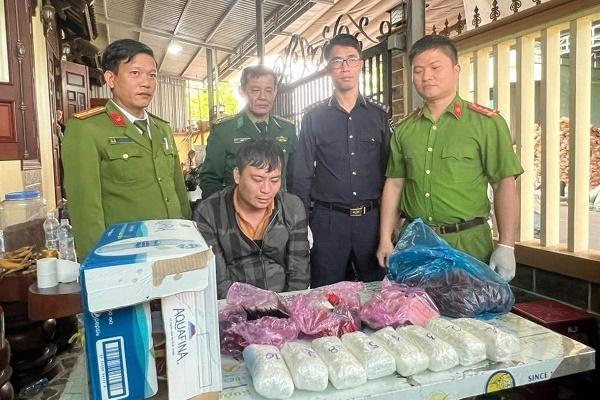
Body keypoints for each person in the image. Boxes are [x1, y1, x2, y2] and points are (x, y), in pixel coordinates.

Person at [377, 35, 524, 281]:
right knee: (414, 306)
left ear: (456, 70)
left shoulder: (486, 123)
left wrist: (507, 245)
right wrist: (385, 238)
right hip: (416, 244)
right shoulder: (404, 130)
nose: (426, 76)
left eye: (435, 68)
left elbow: (503, 184)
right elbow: (394, 185)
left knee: (469, 306)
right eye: (418, 71)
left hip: (468, 244)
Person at [62, 39, 191, 260]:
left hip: (173, 249)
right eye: (135, 73)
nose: (146, 83)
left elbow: (178, 192)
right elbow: (85, 211)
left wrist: (188, 238)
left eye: (152, 75)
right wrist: (98, 264)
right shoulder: (87, 129)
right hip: (125, 255)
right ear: (110, 79)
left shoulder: (162, 129)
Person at [292, 34, 390, 287]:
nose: (345, 67)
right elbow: (302, 175)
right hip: (328, 221)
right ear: (329, 68)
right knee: (325, 294)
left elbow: (390, 173)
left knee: (375, 292)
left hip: (371, 221)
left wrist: (390, 225)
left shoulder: (378, 116)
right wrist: (302, 225)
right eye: (337, 61)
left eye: (351, 59)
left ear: (361, 65)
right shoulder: (314, 118)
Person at [194, 139, 310, 298]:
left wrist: (286, 307)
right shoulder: (209, 213)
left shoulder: (292, 207)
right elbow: (218, 281)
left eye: (274, 180)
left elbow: (299, 273)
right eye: (257, 180)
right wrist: (249, 310)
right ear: (237, 175)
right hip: (233, 305)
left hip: (283, 302)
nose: (266, 190)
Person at [199, 65, 297, 199]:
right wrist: (223, 210)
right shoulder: (224, 131)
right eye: (255, 90)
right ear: (242, 91)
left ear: (275, 91)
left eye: (268, 90)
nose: (263, 97)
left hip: (277, 208)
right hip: (235, 209)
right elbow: (210, 180)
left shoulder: (287, 130)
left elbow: (294, 177)